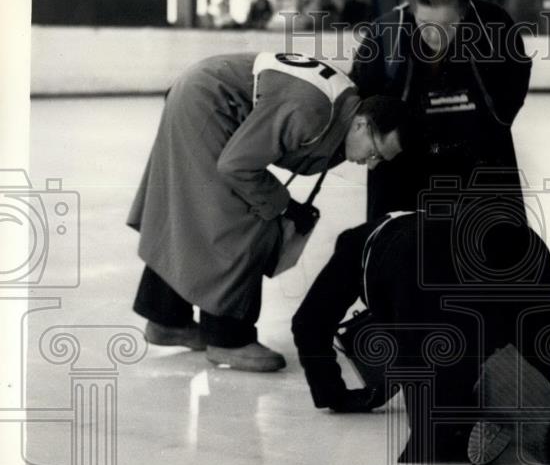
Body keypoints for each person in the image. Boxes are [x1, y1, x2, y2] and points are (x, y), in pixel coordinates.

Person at [291, 211, 550, 465]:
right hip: (522, 248)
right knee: (528, 329)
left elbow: (308, 323)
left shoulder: (354, 246)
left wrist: (335, 395)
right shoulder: (417, 218)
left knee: (439, 431)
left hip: (425, 261)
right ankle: (493, 412)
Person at [127, 52, 409, 372]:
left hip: (203, 91)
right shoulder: (312, 112)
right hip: (207, 103)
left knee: (192, 210)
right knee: (245, 219)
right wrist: (282, 204)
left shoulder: (344, 105)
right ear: (362, 123)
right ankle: (229, 339)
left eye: (381, 160)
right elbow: (238, 166)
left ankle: (167, 318)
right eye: (375, 151)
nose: (371, 164)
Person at [349, 0, 532, 223]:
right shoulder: (385, 32)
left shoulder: (495, 26)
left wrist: (486, 133)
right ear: (413, 10)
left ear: (464, 11)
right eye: (425, 24)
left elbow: (514, 85)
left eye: (448, 24)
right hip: (403, 171)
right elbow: (362, 101)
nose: (435, 35)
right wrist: (378, 145)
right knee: (402, 257)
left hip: (478, 166)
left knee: (489, 253)